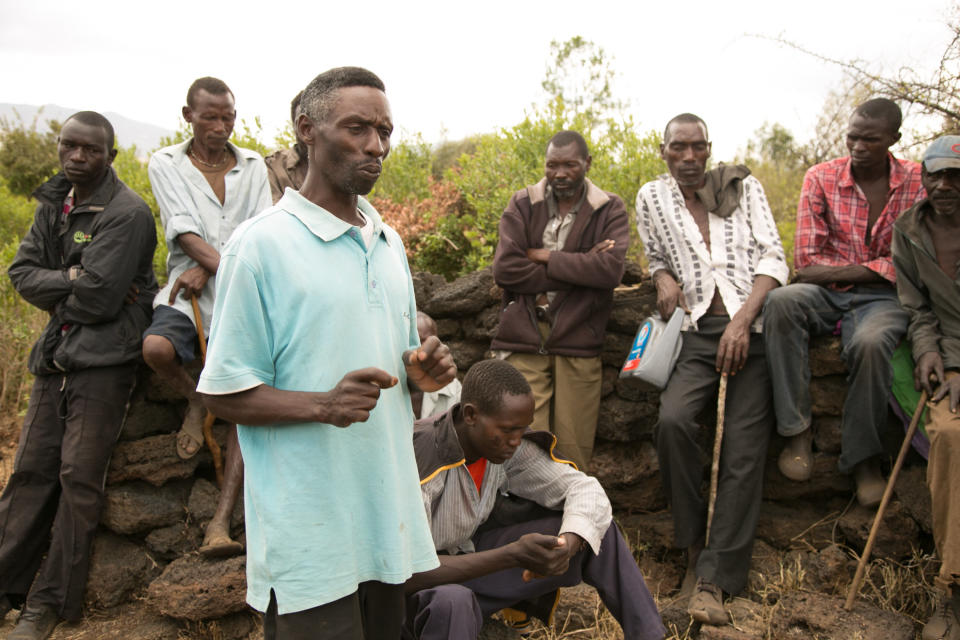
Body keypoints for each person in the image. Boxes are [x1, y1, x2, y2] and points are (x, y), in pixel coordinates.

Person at [197, 66, 455, 640]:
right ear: (307, 129)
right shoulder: (261, 245)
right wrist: (323, 405)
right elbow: (221, 391)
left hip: (385, 527)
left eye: (385, 131)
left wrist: (419, 374)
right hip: (310, 540)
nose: (376, 145)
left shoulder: (387, 242)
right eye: (358, 127)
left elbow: (399, 368)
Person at [0, 111, 158, 640]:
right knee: (28, 474)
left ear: (111, 156)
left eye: (90, 150)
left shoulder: (128, 212)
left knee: (77, 479)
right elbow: (20, 273)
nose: (76, 157)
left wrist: (77, 287)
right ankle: (5, 585)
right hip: (56, 357)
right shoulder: (54, 202)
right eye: (69, 146)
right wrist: (72, 276)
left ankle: (47, 605)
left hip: (104, 362)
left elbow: (98, 299)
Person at [636, 113, 788, 625]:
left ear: (708, 148)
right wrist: (660, 278)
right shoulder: (651, 197)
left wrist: (743, 321)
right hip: (697, 330)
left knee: (743, 452)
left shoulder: (742, 186)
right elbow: (655, 252)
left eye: (697, 147)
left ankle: (714, 577)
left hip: (754, 330)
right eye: (677, 148)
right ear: (663, 151)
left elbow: (774, 256)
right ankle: (690, 545)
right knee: (674, 422)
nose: (688, 157)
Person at [405, 359, 665, 640]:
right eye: (507, 430)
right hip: (418, 595)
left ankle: (650, 635)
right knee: (452, 601)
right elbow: (408, 572)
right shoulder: (419, 455)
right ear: (470, 415)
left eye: (522, 429)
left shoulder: (503, 446)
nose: (516, 441)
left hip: (471, 563)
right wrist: (511, 555)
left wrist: (567, 545)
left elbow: (584, 490)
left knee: (594, 529)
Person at [763, 98, 925, 507]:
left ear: (894, 139)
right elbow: (805, 263)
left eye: (870, 139)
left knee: (872, 344)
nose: (857, 146)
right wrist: (880, 267)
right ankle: (796, 431)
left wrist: (856, 270)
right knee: (781, 302)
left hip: (884, 300)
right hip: (825, 294)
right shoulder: (821, 177)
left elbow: (913, 263)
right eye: (852, 136)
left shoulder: (917, 182)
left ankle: (863, 459)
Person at [141, 77, 271, 556]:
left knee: (241, 402)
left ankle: (220, 524)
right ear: (187, 115)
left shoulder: (253, 166)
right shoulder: (166, 163)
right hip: (188, 291)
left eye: (228, 117)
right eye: (210, 117)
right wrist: (202, 263)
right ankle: (196, 401)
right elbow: (184, 232)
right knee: (156, 348)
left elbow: (259, 233)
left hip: (239, 296)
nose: (220, 126)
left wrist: (216, 268)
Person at [490, 130, 629, 469]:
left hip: (579, 341)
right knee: (524, 451)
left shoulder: (608, 208)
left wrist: (544, 256)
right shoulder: (522, 203)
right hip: (524, 338)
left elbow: (610, 271)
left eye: (570, 165)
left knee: (573, 455)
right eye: (553, 165)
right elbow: (506, 269)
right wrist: (581, 266)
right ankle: (529, 522)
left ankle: (572, 522)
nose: (560, 174)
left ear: (587, 164)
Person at [892, 135, 960, 640]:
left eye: (955, 176)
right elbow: (917, 309)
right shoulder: (909, 229)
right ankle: (949, 588)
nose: (944, 186)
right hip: (947, 356)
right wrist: (929, 352)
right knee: (952, 438)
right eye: (935, 175)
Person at [410, 311, 462, 419]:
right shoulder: (384, 389)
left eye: (425, 342)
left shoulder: (453, 389)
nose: (418, 349)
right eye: (411, 342)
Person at [264, 90, 308, 202]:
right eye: (304, 125)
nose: (308, 132)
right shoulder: (274, 165)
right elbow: (272, 212)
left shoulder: (345, 164)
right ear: (294, 126)